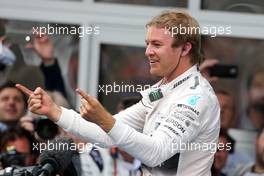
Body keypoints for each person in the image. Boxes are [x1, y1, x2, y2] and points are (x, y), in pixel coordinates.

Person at [16, 10, 220, 176]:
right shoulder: (164, 89)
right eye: (147, 43)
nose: (148, 51)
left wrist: (104, 119)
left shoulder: (196, 97)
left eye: (157, 44)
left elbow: (156, 153)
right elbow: (106, 136)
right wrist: (54, 111)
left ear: (185, 49)